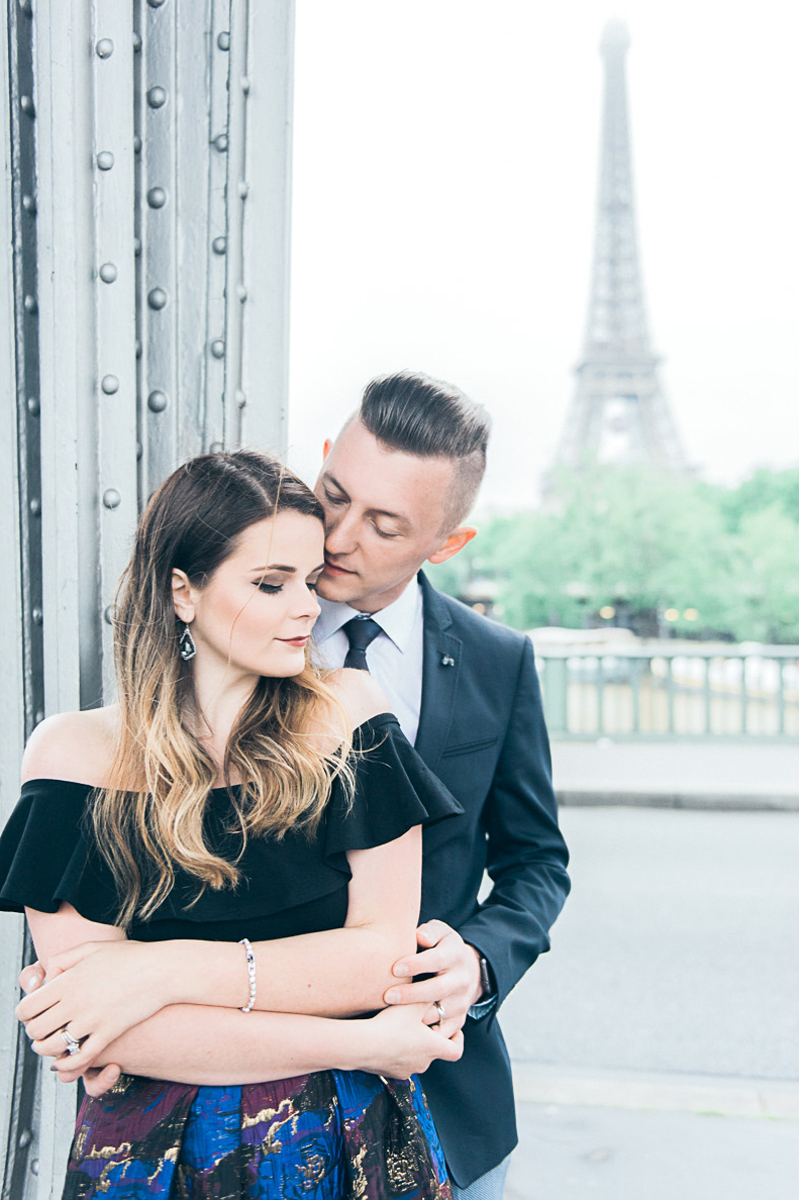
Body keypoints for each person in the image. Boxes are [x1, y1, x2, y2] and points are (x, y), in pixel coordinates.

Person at [1, 450, 463, 1199]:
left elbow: (381, 960)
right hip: (153, 1156)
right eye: (271, 584)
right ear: (182, 590)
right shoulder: (73, 756)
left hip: (345, 1143)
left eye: (311, 581)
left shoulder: (349, 715)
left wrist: (158, 973)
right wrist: (361, 1041)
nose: (307, 608)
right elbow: (100, 1026)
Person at [309, 371, 571, 1197]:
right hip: (261, 1082)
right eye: (332, 495)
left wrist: (478, 964)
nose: (337, 536)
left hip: (448, 1100)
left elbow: (536, 863)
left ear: (447, 543)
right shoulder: (242, 623)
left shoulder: (499, 660)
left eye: (383, 524)